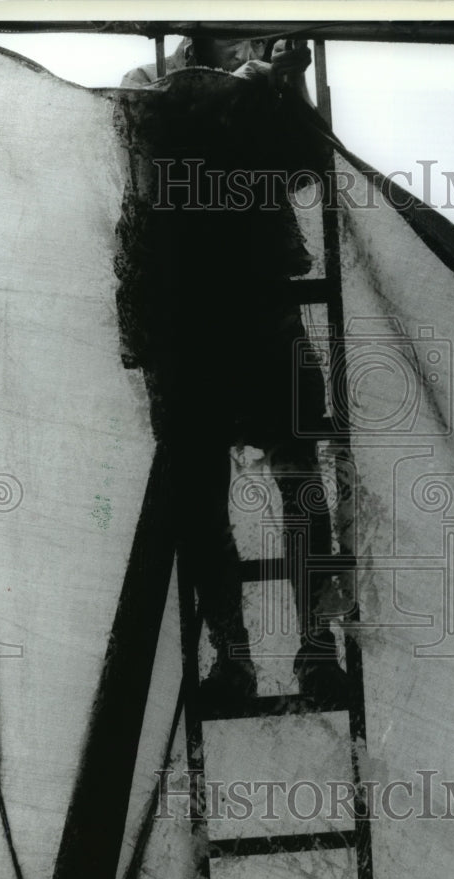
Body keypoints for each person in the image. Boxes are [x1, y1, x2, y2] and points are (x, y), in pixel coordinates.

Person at [116, 34, 348, 707]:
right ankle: (232, 658)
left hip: (261, 310)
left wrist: (286, 88)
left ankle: (317, 650)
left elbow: (306, 166)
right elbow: (169, 136)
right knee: (199, 496)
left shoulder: (265, 77)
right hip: (185, 320)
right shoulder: (149, 76)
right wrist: (261, 81)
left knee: (300, 478)